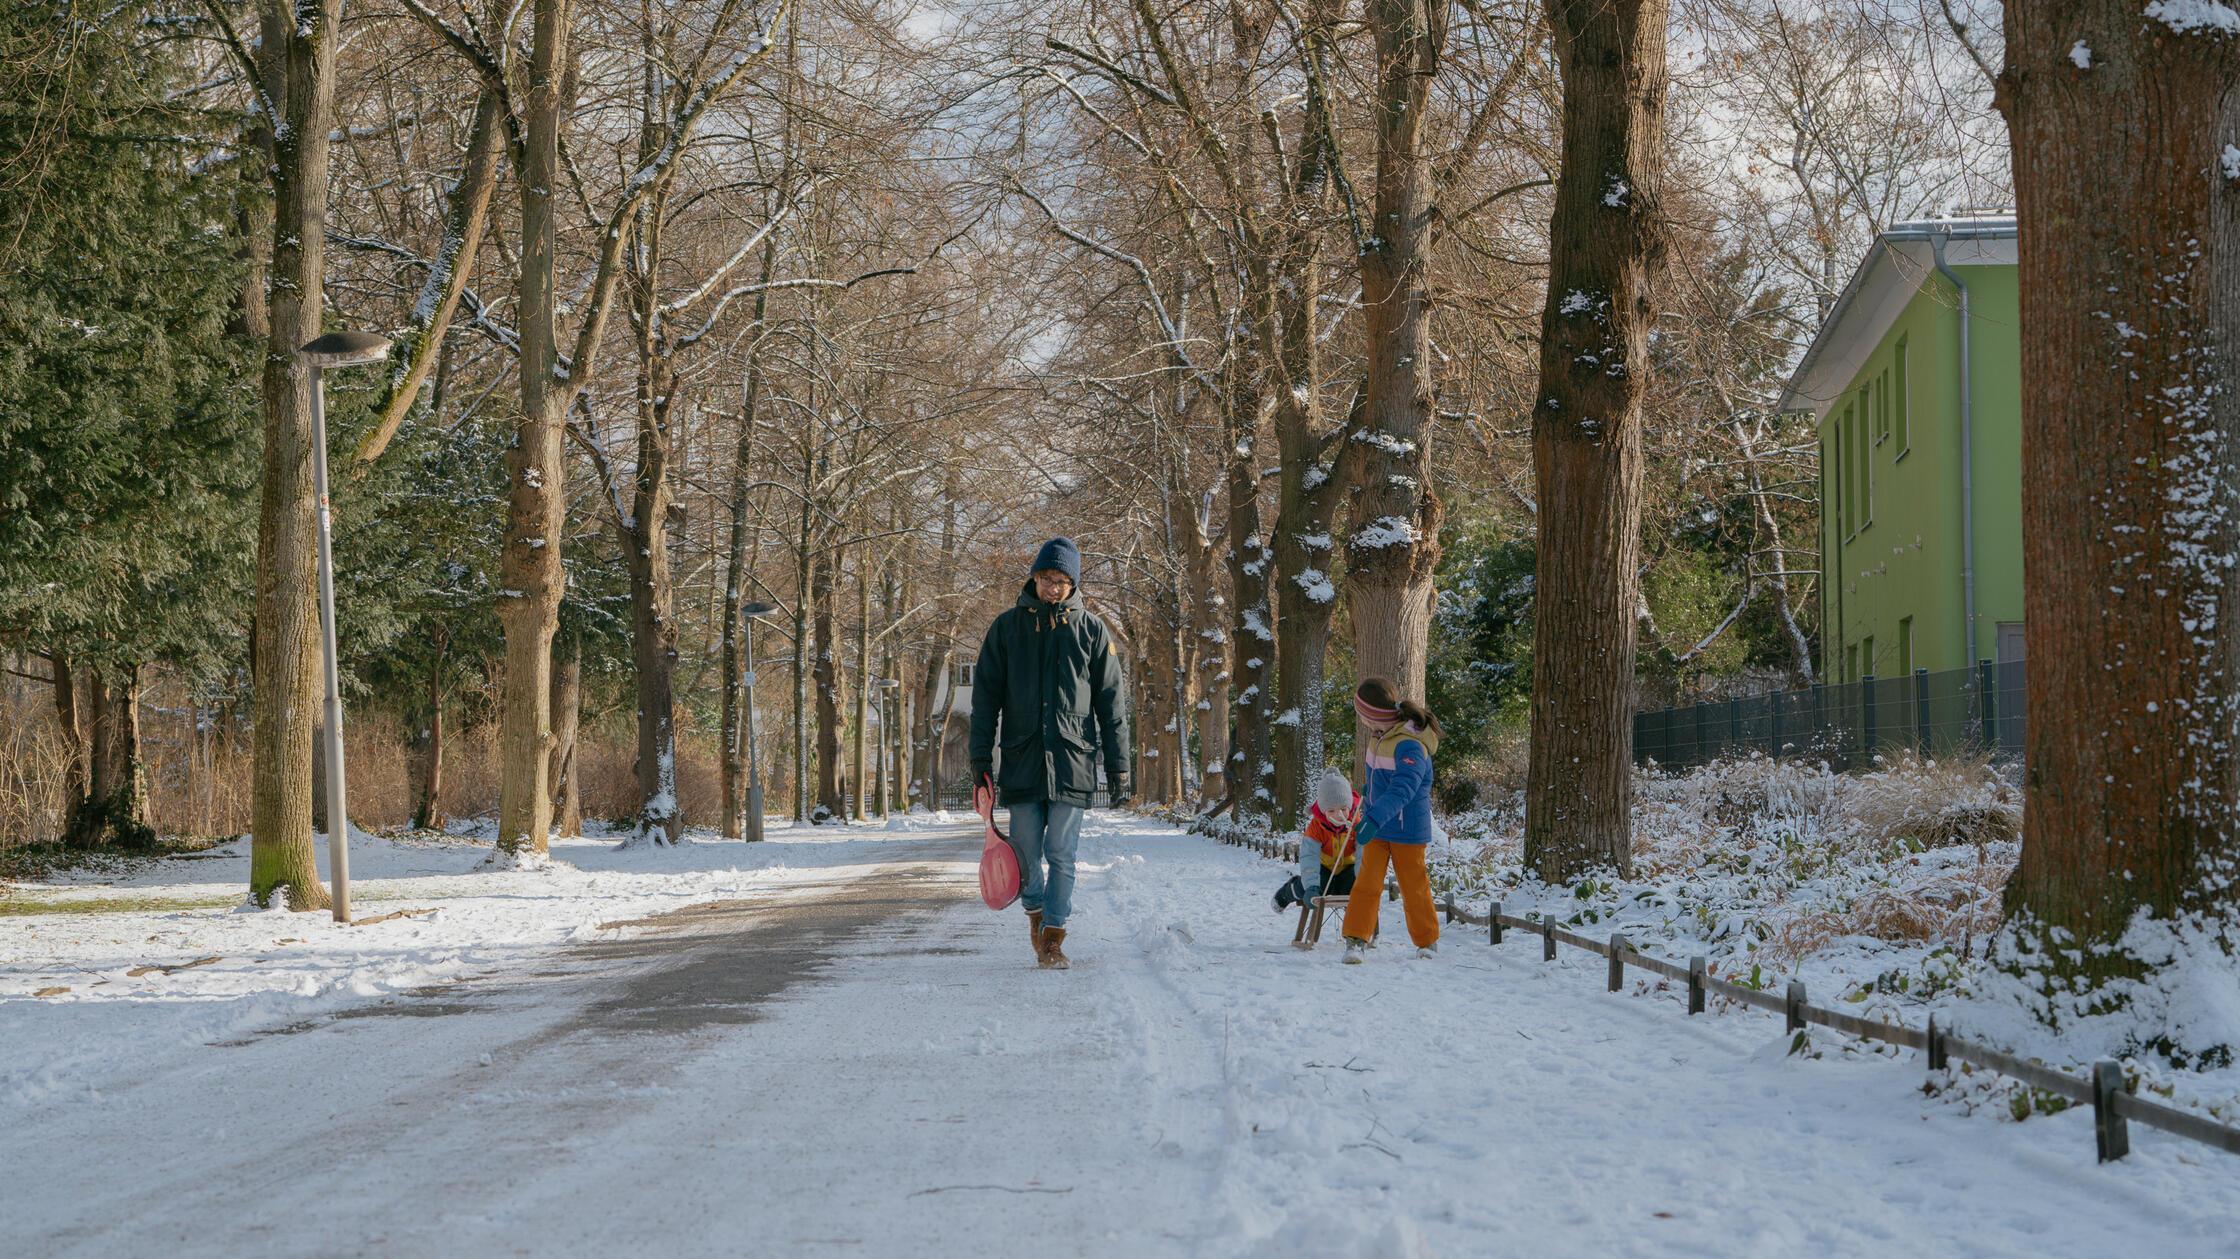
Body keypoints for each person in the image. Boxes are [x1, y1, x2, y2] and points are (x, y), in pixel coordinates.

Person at [969, 537, 1131, 970]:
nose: (1052, 588)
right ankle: (1036, 913)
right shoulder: (1006, 629)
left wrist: (1118, 766)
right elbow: (984, 699)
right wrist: (979, 762)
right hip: (1022, 759)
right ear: (1034, 578)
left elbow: (1111, 704)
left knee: (1061, 851)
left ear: (1073, 583)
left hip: (1072, 760)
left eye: (1061, 581)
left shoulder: (1093, 632)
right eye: (1045, 579)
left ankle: (1054, 937)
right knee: (1025, 853)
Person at [1340, 677, 1443, 963]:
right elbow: (1381, 777)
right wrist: (1368, 792)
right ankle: (1356, 940)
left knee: (1414, 886)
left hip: (1406, 828)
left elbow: (1404, 789)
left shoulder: (1410, 745)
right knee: (1366, 883)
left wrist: (1373, 817)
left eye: (1362, 713)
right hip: (1378, 824)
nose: (1361, 720)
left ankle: (1427, 942)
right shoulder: (1380, 735)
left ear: (1373, 713)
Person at [1275, 768, 1358, 912]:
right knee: (1308, 886)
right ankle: (1286, 894)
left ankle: (1355, 926)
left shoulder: (1356, 824)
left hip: (1347, 870)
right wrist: (1312, 886)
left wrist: (1364, 881)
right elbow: (1309, 857)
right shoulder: (1316, 827)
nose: (1339, 815)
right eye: (1331, 810)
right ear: (1323, 810)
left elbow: (1365, 853)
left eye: (1343, 809)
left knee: (1355, 886)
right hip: (1322, 870)